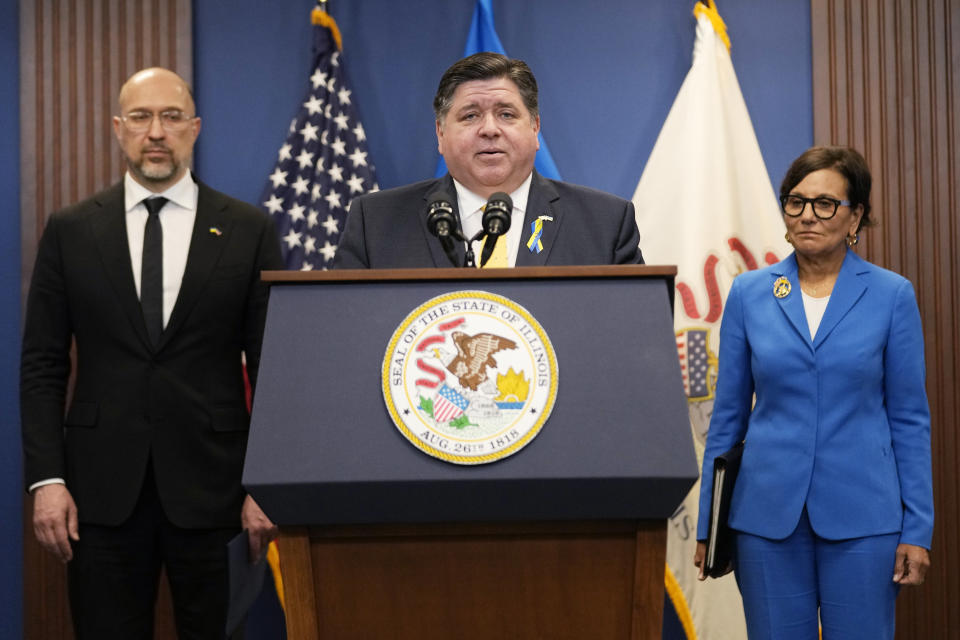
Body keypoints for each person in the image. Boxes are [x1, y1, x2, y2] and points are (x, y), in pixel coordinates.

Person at [20, 67, 283, 639]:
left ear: (195, 128)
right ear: (119, 129)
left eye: (170, 117)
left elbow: (273, 369)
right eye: (140, 117)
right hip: (97, 496)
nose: (155, 131)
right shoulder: (70, 231)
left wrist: (267, 483)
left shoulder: (247, 229)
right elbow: (42, 364)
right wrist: (46, 480)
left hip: (217, 493)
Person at [693, 146, 933, 639]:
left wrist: (917, 529)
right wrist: (708, 525)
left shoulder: (892, 295)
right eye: (795, 202)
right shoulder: (749, 293)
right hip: (765, 518)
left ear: (856, 216)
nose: (808, 215)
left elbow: (910, 419)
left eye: (826, 204)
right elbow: (728, 416)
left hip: (865, 517)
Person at [333, 52, 643, 269]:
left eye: (506, 114)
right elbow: (346, 333)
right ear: (440, 133)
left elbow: (633, 337)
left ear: (535, 128)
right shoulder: (374, 224)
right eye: (470, 116)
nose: (490, 129)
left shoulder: (605, 225)